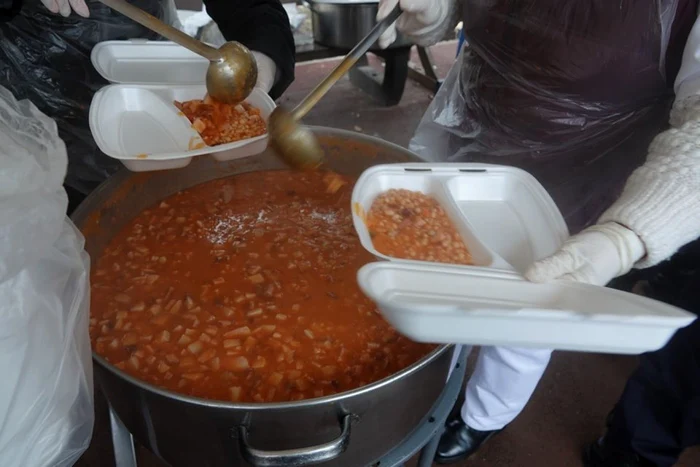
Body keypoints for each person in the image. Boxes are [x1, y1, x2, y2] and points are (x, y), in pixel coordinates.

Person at [377, 0, 700, 464]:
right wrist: (439, 13)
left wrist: (626, 234)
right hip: (471, 137)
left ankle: (481, 417)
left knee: (526, 313)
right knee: (439, 277)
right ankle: (433, 386)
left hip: (582, 180)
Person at [0, 0, 295, 214]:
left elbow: (252, 7)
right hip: (36, 95)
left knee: (172, 201)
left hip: (155, 67)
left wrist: (262, 61)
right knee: (72, 218)